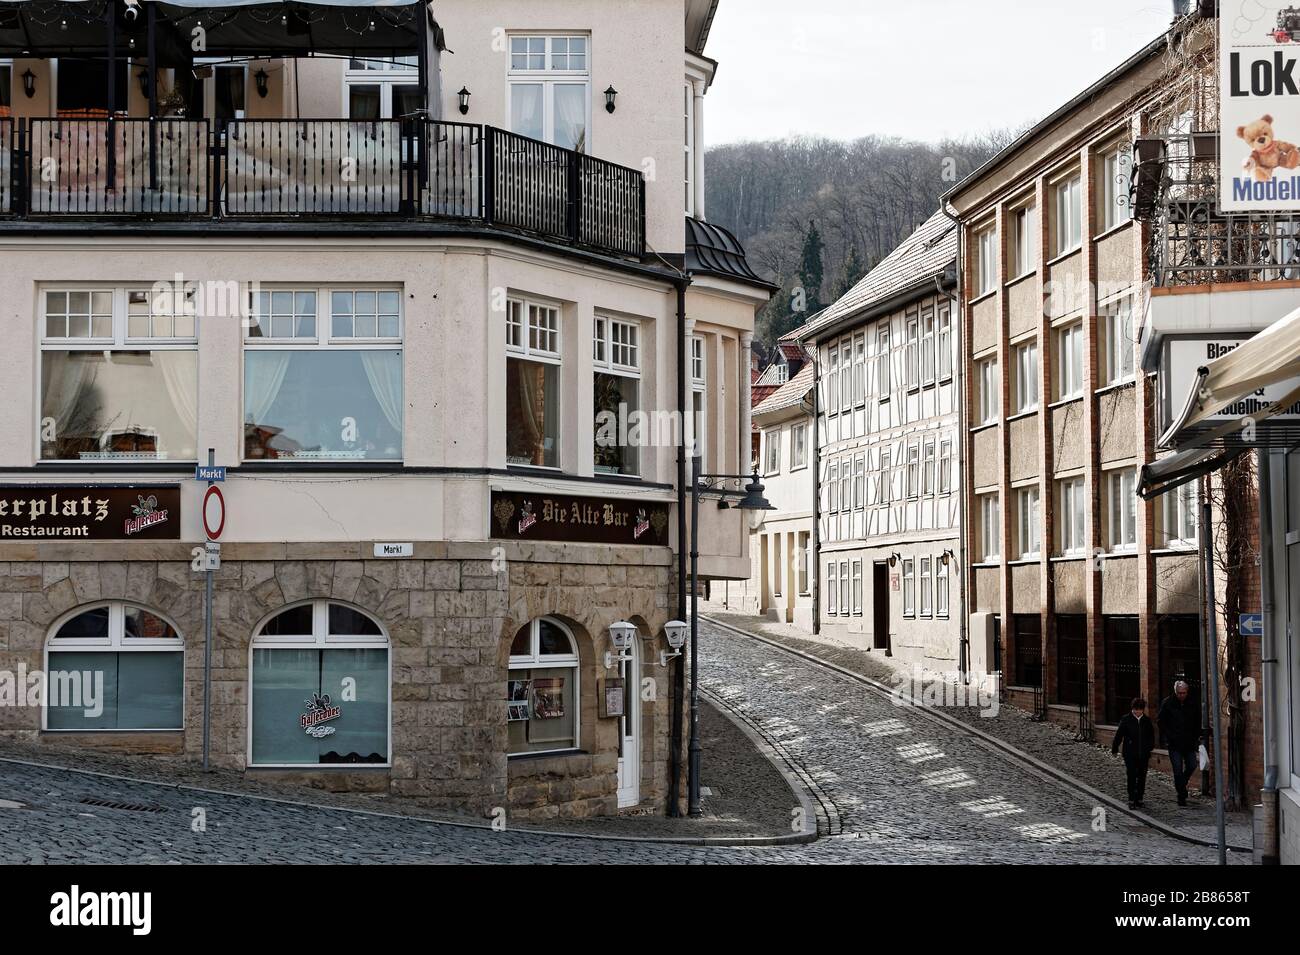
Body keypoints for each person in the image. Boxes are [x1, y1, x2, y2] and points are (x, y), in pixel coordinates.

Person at [1157, 680, 1200, 806]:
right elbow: (1161, 721)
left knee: (1192, 765)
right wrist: (1169, 735)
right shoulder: (1167, 703)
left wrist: (1195, 736)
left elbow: (1197, 720)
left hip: (1189, 742)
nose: (1182, 695)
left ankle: (1182, 785)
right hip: (1174, 743)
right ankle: (1181, 795)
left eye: (1184, 693)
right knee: (1177, 770)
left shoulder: (1192, 703)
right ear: (1175, 692)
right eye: (1179, 693)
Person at [1111, 697, 1156, 809]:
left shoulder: (1146, 720)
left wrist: (1149, 747)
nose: (1137, 712)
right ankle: (1131, 798)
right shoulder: (1126, 719)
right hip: (1130, 753)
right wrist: (1115, 748)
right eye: (1136, 709)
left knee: (1142, 776)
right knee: (1131, 775)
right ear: (1133, 709)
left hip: (1143, 753)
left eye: (1140, 710)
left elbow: (1151, 735)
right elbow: (1119, 735)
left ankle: (1139, 798)